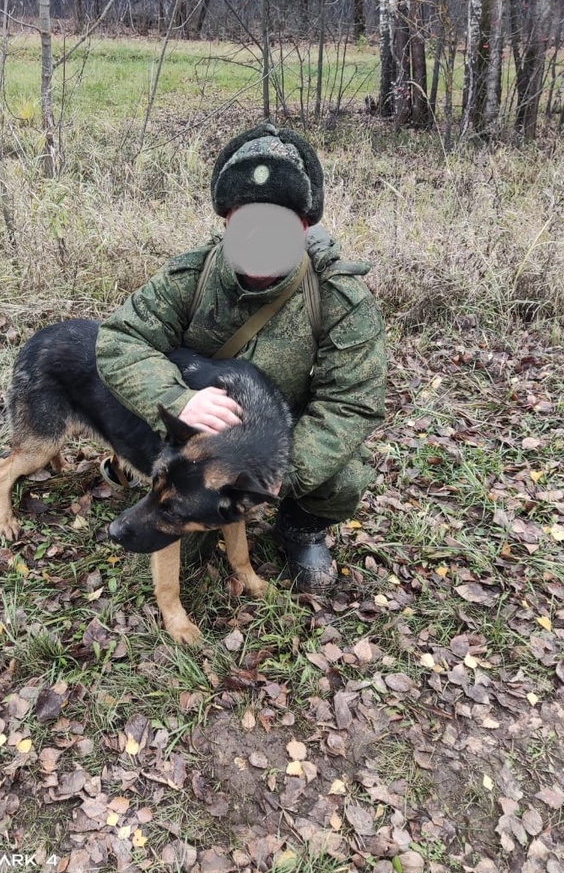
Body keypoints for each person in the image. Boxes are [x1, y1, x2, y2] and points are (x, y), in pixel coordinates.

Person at [95, 122, 387, 591]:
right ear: (227, 221)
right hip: (199, 438)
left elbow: (351, 404)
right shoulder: (190, 276)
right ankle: (153, 476)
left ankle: (300, 527)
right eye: (247, 223)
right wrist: (175, 397)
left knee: (345, 477)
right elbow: (119, 339)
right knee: (182, 538)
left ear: (305, 226)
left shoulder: (340, 298)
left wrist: (279, 473)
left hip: (280, 436)